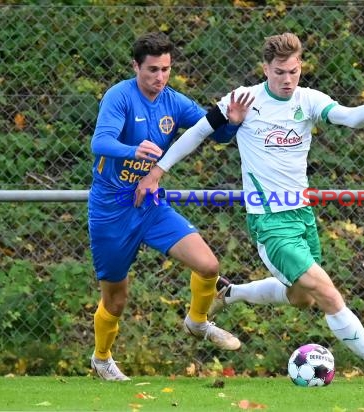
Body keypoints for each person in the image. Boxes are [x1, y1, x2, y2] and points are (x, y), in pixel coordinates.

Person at [138, 33, 364, 384]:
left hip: (302, 216)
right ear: (266, 68)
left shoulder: (309, 100)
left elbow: (349, 118)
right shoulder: (244, 99)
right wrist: (158, 171)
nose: (287, 80)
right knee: (328, 294)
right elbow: (196, 133)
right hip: (269, 221)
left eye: (294, 72)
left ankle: (231, 292)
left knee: (303, 299)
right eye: (280, 72)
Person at [88, 32, 254, 381]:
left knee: (208, 265)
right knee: (116, 301)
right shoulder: (120, 97)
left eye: (165, 69)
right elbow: (100, 141)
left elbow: (216, 135)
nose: (159, 77)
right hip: (111, 210)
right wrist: (132, 151)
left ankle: (197, 322)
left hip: (149, 205)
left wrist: (234, 120)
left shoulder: (174, 101)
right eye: (152, 70)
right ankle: (102, 359)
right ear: (136, 66)